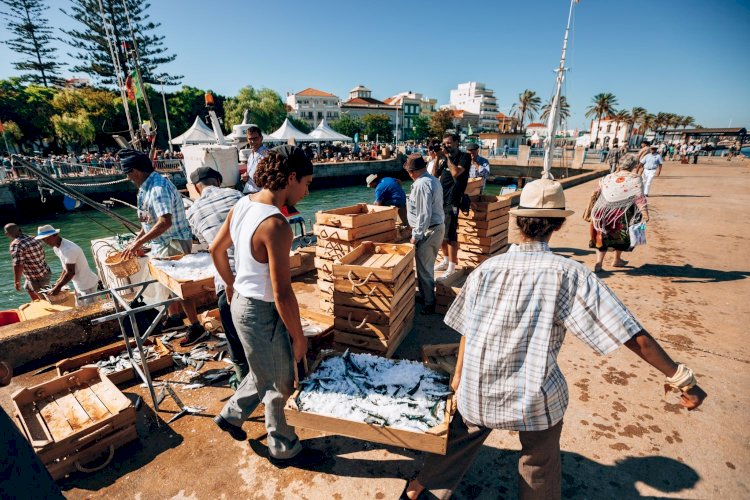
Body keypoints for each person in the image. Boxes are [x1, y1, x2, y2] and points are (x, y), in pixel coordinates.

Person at [402, 178, 706, 500]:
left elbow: (467, 330)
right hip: (533, 399)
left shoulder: (486, 270)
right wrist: (682, 378)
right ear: (558, 225)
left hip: (477, 390)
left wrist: (460, 380)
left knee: (460, 438)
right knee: (540, 460)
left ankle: (417, 488)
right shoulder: (569, 274)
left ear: (518, 222)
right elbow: (630, 334)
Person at [210, 145, 323, 467]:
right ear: (290, 178)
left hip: (242, 305)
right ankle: (283, 447)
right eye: (306, 183)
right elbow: (282, 292)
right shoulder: (277, 225)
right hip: (260, 311)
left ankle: (231, 416)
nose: (307, 190)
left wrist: (231, 284)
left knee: (263, 371)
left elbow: (216, 249)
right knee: (279, 381)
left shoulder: (243, 203)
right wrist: (299, 337)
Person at [118, 149, 205, 347]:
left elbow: (164, 222)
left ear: (136, 171)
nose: (129, 178)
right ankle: (175, 318)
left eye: (128, 173)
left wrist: (139, 243)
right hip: (161, 243)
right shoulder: (146, 187)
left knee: (180, 286)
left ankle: (195, 326)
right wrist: (135, 241)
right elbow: (148, 223)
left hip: (172, 241)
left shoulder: (157, 188)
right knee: (167, 285)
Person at [185, 166, 246, 385]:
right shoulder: (237, 196)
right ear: (219, 181)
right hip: (254, 275)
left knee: (234, 337)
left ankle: (243, 378)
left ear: (195, 187)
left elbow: (208, 244)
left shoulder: (192, 211)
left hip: (227, 284)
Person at [584, 154, 650, 272]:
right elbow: (639, 197)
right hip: (622, 214)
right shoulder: (635, 178)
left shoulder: (608, 177)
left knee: (602, 237)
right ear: (634, 166)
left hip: (602, 213)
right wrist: (645, 213)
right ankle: (617, 259)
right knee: (620, 237)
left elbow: (598, 191)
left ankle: (599, 264)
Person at [403, 154, 445, 315]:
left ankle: (429, 302)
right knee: (424, 266)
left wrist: (417, 235)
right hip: (436, 227)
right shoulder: (433, 180)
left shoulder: (421, 185)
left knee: (425, 268)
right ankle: (425, 295)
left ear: (412, 172)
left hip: (429, 230)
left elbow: (423, 214)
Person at [36, 225, 100, 306]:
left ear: (55, 235)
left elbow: (70, 272)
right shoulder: (56, 248)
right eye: (43, 240)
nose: (46, 242)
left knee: (92, 309)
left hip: (87, 284)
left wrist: (58, 287)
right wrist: (60, 279)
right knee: (80, 307)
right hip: (78, 284)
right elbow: (66, 266)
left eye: (47, 238)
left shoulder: (69, 249)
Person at [435, 133, 471, 279]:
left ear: (456, 142)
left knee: (450, 235)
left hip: (453, 200)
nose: (446, 146)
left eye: (449, 143)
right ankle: (444, 260)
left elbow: (455, 173)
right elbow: (434, 175)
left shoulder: (464, 157)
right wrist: (437, 157)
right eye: (445, 143)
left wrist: (447, 157)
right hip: (440, 200)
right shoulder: (443, 158)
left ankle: (452, 266)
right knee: (441, 234)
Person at [4, 223, 51, 301]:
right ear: (20, 229)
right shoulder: (33, 237)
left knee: (45, 299)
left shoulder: (16, 245)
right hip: (45, 271)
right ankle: (37, 304)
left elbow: (18, 265)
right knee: (28, 288)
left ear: (7, 234)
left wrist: (17, 281)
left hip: (36, 278)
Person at [241, 126, 269, 194]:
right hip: (250, 191)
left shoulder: (266, 155)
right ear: (247, 140)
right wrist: (245, 177)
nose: (253, 141)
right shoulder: (251, 156)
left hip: (260, 193)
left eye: (255, 138)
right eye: (250, 139)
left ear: (261, 138)